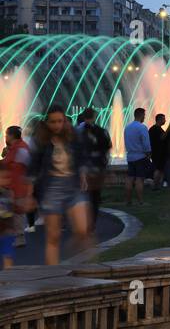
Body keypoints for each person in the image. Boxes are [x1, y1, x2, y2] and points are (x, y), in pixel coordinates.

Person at [32, 105, 92, 264]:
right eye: (53, 122)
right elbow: (34, 167)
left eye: (60, 121)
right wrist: (29, 194)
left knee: (82, 230)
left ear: (64, 120)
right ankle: (52, 276)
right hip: (51, 188)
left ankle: (69, 256)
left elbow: (82, 157)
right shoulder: (41, 140)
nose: (57, 125)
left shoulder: (73, 136)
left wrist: (83, 174)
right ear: (46, 123)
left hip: (73, 186)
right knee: (53, 237)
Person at [76, 107, 112, 221]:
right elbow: (108, 146)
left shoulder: (77, 131)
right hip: (97, 167)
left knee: (82, 195)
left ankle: (83, 220)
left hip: (83, 167)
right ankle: (92, 221)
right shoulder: (101, 131)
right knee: (95, 195)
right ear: (94, 117)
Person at [3, 125, 32, 248]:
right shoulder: (14, 148)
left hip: (18, 185)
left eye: (6, 134)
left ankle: (20, 238)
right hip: (12, 185)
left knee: (17, 212)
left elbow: (27, 167)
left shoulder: (21, 149)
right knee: (12, 211)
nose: (5, 137)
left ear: (11, 136)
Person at [124, 106, 152, 205]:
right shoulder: (142, 127)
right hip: (140, 156)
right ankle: (140, 201)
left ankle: (128, 200)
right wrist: (148, 154)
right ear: (141, 115)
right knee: (140, 179)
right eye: (144, 115)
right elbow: (146, 143)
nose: (144, 117)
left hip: (130, 156)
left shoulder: (127, 127)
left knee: (130, 178)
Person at [149, 113, 168, 188]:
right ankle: (155, 185)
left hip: (158, 153)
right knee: (158, 169)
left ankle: (159, 184)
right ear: (159, 120)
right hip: (157, 153)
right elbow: (161, 139)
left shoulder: (154, 129)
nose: (165, 121)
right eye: (163, 119)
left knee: (160, 169)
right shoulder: (155, 129)